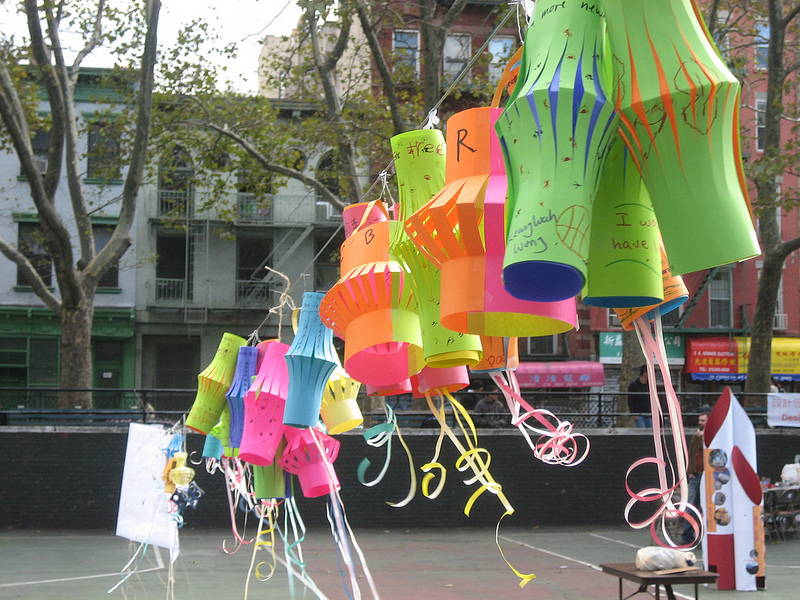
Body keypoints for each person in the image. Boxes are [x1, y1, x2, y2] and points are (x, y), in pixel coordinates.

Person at [681, 412, 709, 544]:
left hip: (705, 476)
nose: (700, 423)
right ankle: (687, 536)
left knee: (704, 506)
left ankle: (703, 535)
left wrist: (703, 438)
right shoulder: (695, 437)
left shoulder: (710, 437)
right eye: (699, 420)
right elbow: (691, 455)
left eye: (703, 420)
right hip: (695, 475)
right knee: (691, 505)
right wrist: (690, 471)